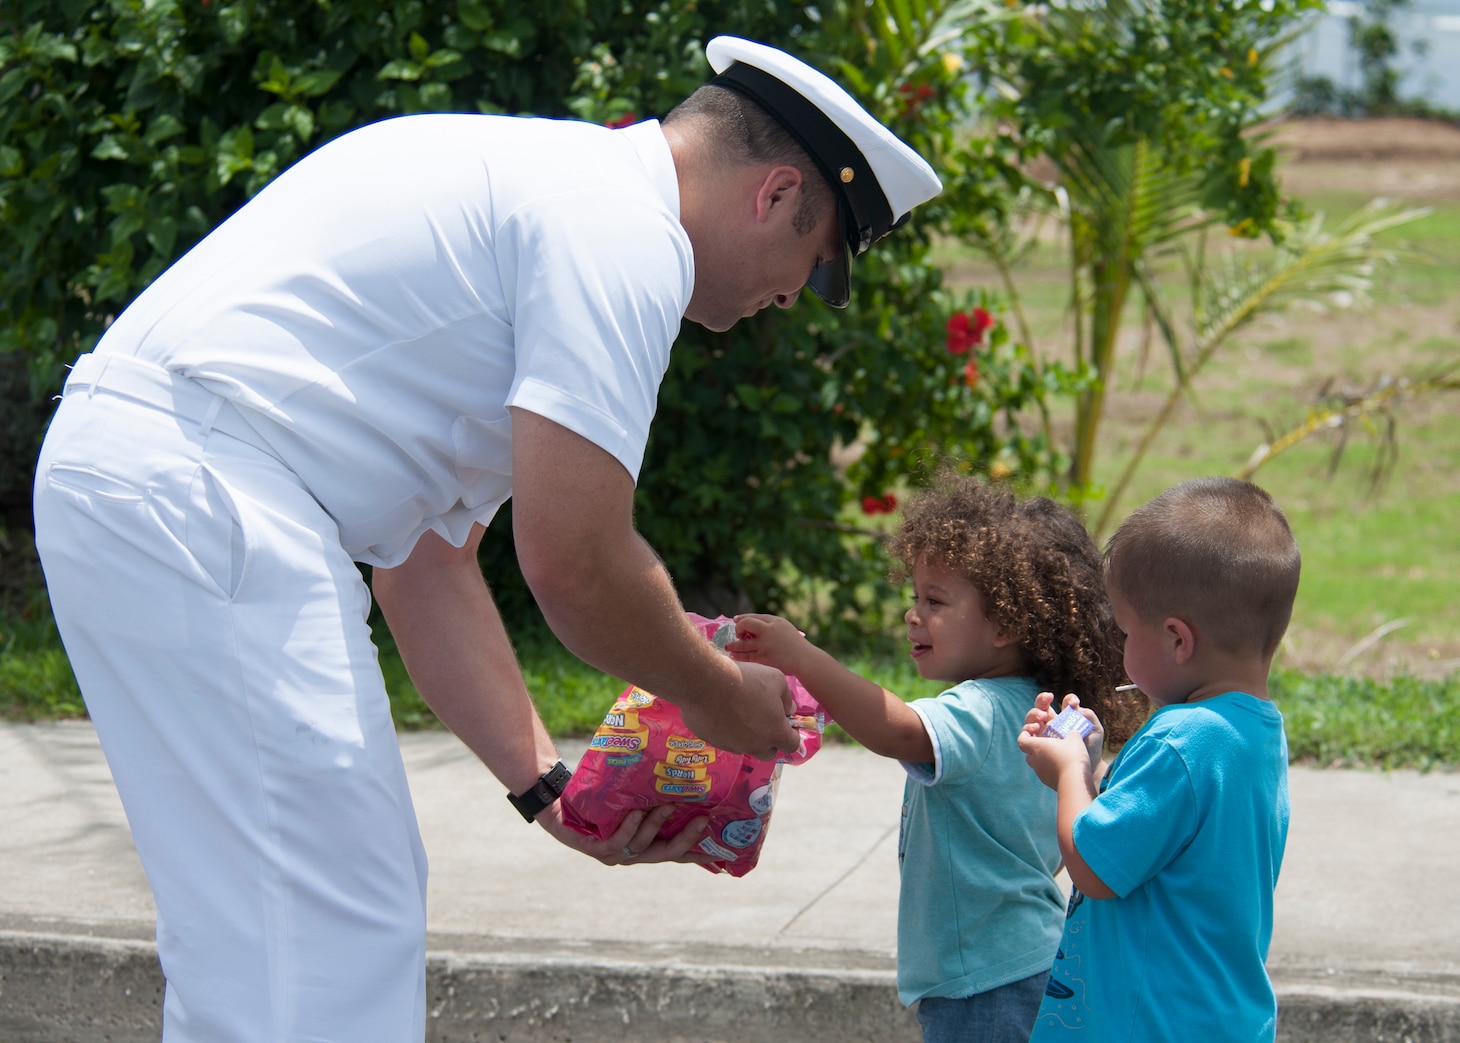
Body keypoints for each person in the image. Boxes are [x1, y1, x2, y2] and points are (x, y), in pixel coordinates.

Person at [31, 36, 942, 1042]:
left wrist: (547, 788)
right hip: (209, 494)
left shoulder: (550, 190)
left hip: (145, 480)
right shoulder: (623, 234)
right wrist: (718, 694)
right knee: (330, 916)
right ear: (773, 194)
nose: (784, 303)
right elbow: (577, 561)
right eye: (810, 272)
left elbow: (426, 562)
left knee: (261, 921)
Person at [727, 474, 1142, 1043]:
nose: (913, 615)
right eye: (914, 596)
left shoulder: (980, 709)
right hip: (1027, 960)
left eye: (936, 601)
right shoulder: (1043, 713)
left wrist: (804, 658)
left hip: (985, 982)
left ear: (1007, 623)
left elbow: (896, 730)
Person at [1017, 476, 1300, 1042]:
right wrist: (1098, 772)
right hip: (1216, 1019)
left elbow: (1095, 869)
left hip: (1147, 1026)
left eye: (1125, 631)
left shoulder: (1180, 739)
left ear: (1177, 639)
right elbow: (1153, 840)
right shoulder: (1253, 732)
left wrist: (1069, 773)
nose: (1121, 650)